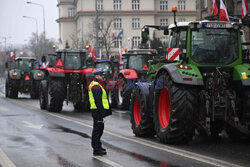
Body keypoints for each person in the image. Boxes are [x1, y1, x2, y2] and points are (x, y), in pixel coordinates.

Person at [88, 69, 112, 156]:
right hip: (97, 111)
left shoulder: (98, 84)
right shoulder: (95, 86)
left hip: (98, 111)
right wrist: (102, 112)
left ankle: (98, 146)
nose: (103, 77)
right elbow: (98, 101)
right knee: (97, 130)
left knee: (99, 129)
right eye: (101, 75)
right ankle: (96, 149)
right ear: (97, 76)